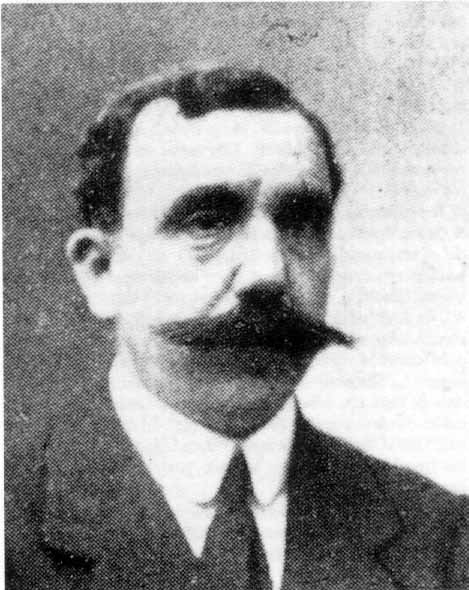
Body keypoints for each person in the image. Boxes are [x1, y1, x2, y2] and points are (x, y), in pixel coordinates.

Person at [6, 65, 468, 590]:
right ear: (102, 271)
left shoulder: (447, 543)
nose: (268, 272)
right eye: (208, 221)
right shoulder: (12, 525)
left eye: (301, 221)